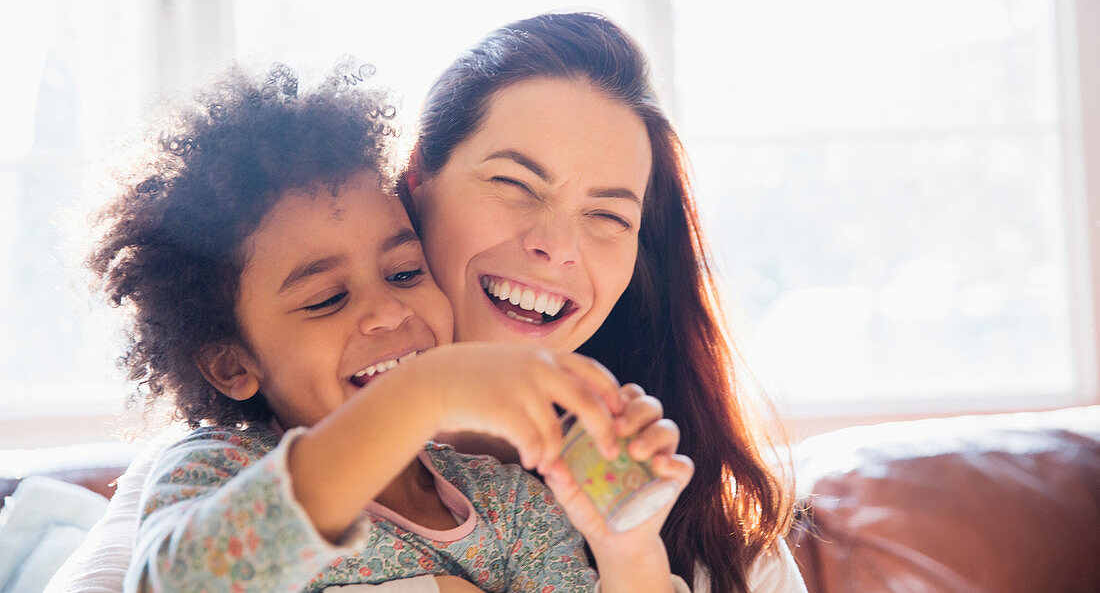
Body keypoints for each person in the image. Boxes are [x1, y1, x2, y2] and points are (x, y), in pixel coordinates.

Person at [84, 63, 691, 592]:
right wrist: (424, 392)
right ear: (231, 363)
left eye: (404, 274)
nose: (387, 313)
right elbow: (181, 584)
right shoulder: (216, 472)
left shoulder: (508, 506)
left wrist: (629, 548)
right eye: (325, 299)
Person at [401, 12, 803, 592]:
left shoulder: (714, 538)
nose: (557, 246)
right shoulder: (286, 492)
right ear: (418, 177)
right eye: (514, 184)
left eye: (608, 215)